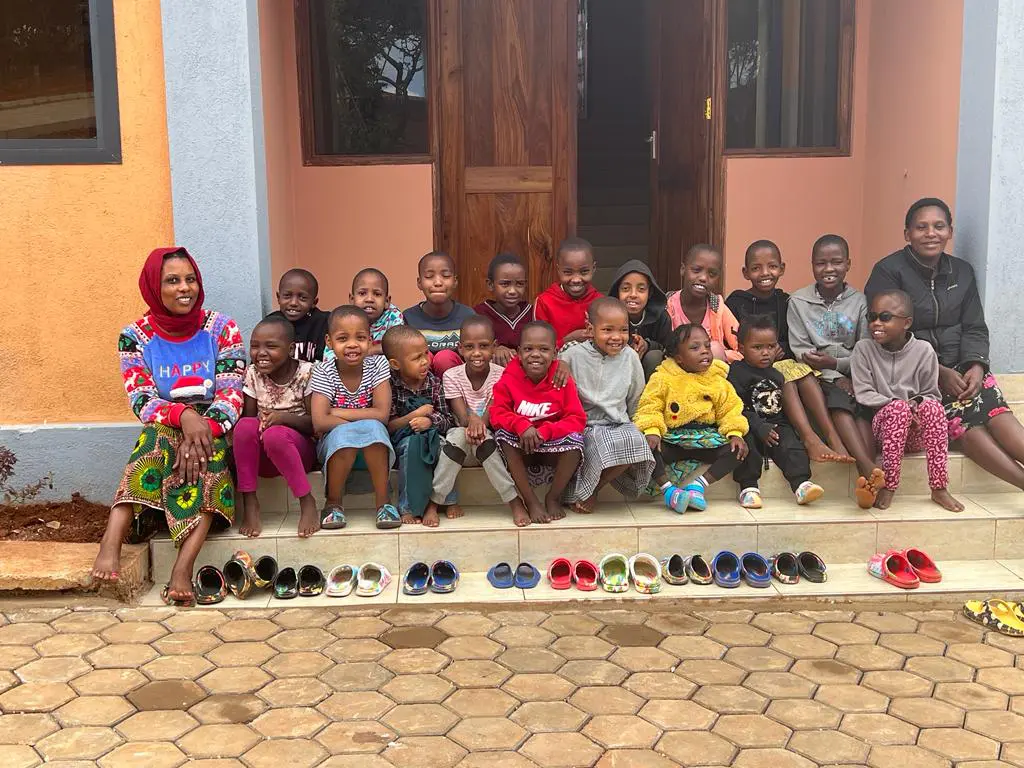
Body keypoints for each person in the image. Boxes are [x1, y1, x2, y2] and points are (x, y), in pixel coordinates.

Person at [91, 247, 246, 605]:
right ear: (153, 288)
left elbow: (231, 395)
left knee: (209, 456)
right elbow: (141, 399)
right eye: (172, 281)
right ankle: (111, 539)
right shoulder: (135, 336)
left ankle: (183, 567)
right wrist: (184, 416)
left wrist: (202, 427)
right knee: (153, 438)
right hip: (165, 421)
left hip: (213, 426)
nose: (184, 288)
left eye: (190, 279)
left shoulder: (222, 328)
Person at [867, 197, 1024, 491]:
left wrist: (976, 366)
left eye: (939, 226)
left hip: (963, 367)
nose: (931, 233)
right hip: (913, 373)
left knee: (995, 411)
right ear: (907, 234)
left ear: (950, 232)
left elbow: (975, 326)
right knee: (964, 427)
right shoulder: (888, 271)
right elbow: (884, 332)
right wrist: (937, 371)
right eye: (921, 227)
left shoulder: (962, 272)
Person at [727, 240, 851, 464]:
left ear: (782, 268)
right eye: (756, 268)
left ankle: (834, 438)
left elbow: (792, 336)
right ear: (745, 272)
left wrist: (779, 348)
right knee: (787, 374)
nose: (765, 273)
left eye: (772, 266)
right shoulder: (736, 302)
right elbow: (731, 339)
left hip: (781, 360)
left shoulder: (786, 301)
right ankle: (810, 439)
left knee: (803, 372)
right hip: (749, 365)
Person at [788, 234, 884, 508]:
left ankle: (870, 478)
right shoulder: (798, 302)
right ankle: (868, 470)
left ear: (848, 264)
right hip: (817, 376)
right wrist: (835, 372)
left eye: (836, 262)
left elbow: (866, 349)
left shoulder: (860, 302)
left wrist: (839, 365)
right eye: (821, 263)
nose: (829, 269)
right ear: (812, 265)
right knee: (841, 403)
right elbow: (800, 351)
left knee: (861, 410)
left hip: (855, 375)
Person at [851, 290, 964, 512]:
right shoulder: (864, 349)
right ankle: (889, 486)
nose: (876, 323)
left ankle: (939, 488)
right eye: (871, 317)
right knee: (898, 409)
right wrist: (900, 404)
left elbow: (931, 393)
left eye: (885, 317)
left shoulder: (923, 350)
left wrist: (916, 404)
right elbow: (863, 393)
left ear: (907, 323)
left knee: (933, 407)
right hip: (883, 430)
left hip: (916, 431)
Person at [634, 324, 754, 513]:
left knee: (738, 449)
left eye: (707, 346)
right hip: (672, 440)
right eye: (695, 348)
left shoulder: (717, 380)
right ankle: (669, 491)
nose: (704, 352)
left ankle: (698, 486)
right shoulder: (663, 378)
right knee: (643, 448)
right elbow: (650, 406)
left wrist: (735, 433)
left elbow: (730, 409)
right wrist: (652, 431)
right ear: (679, 358)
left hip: (705, 440)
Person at [560, 298, 654, 513]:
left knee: (637, 443)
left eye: (623, 330)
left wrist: (638, 424)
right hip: (587, 424)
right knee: (604, 444)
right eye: (607, 330)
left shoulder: (630, 357)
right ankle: (584, 491)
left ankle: (594, 488)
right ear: (590, 329)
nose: (617, 337)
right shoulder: (572, 356)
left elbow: (636, 395)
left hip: (618, 422)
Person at [433, 316, 529, 525]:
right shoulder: (451, 375)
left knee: (484, 437)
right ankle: (435, 500)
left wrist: (478, 423)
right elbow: (461, 417)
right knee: (458, 436)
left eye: (484, 346)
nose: (476, 353)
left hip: (486, 443)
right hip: (460, 440)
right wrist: (473, 420)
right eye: (469, 346)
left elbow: (492, 413)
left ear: (494, 347)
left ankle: (513, 500)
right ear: (460, 349)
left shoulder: (501, 375)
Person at [309, 306, 398, 531]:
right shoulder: (323, 371)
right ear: (329, 342)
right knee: (348, 435)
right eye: (342, 338)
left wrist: (336, 412)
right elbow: (319, 422)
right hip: (335, 448)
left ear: (369, 340)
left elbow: (382, 414)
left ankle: (383, 503)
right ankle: (333, 503)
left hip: (373, 444)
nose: (352, 344)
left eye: (360, 337)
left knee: (375, 430)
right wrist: (361, 421)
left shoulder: (378, 365)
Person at [491, 321, 587, 525]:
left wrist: (545, 432)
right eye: (528, 349)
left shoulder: (561, 378)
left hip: (550, 443)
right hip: (521, 445)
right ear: (518, 352)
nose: (535, 354)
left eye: (543, 349)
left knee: (577, 442)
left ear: (554, 353)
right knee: (502, 438)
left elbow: (577, 418)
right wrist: (521, 425)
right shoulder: (509, 378)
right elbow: (497, 412)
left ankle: (553, 497)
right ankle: (531, 500)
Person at [728, 315, 825, 509]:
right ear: (741, 348)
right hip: (749, 424)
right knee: (745, 444)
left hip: (776, 424)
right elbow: (735, 407)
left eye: (771, 347)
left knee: (791, 443)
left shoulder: (776, 374)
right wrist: (758, 426)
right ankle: (748, 488)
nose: (765, 353)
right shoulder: (737, 372)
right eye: (758, 348)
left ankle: (801, 485)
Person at [236, 316, 317, 539]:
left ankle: (306, 501)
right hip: (265, 457)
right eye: (255, 346)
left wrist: (283, 418)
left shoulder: (307, 372)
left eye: (271, 346)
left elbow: (315, 424)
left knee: (276, 435)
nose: (261, 353)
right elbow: (250, 422)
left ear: (291, 349)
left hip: (298, 453)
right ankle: (250, 502)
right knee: (243, 426)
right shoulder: (253, 373)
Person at [383, 325, 457, 526]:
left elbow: (448, 419)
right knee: (411, 447)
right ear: (395, 364)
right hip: (402, 440)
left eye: (426, 354)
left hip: (431, 433)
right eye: (416, 358)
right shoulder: (389, 386)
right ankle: (408, 506)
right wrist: (415, 415)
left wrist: (430, 420)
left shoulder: (433, 383)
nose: (425, 361)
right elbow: (387, 425)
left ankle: (448, 499)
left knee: (446, 448)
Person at [403, 251, 476, 378]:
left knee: (444, 358)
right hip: (422, 388)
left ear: (455, 281)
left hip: (459, 386)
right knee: (423, 356)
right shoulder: (408, 317)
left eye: (446, 276)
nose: (438, 282)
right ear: (419, 282)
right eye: (429, 276)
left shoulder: (468, 316)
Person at [665, 244, 741, 362]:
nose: (703, 278)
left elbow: (742, 347)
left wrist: (722, 354)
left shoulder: (717, 307)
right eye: (696, 270)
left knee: (714, 349)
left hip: (711, 373)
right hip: (678, 370)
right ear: (683, 269)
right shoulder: (668, 306)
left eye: (712, 274)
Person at [609, 259, 674, 379]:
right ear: (617, 292)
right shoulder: (609, 317)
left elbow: (669, 349)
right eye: (625, 289)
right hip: (617, 374)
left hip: (650, 375)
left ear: (650, 293)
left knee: (655, 356)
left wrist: (647, 345)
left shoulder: (661, 317)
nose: (633, 294)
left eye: (641, 289)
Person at [534, 237, 603, 347]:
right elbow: (538, 347)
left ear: (593, 268)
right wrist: (568, 340)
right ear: (558, 270)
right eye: (568, 272)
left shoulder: (600, 302)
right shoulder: (545, 302)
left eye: (584, 272)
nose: (576, 279)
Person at [474, 253, 533, 366]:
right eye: (505, 284)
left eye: (519, 284)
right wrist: (494, 349)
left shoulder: (532, 313)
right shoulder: (479, 314)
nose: (512, 291)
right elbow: (473, 348)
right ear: (490, 284)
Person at [267, 268, 330, 363]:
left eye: (302, 298)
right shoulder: (271, 323)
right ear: (278, 298)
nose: (293, 303)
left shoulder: (324, 322)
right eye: (287, 296)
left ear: (314, 302)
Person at [349, 267, 403, 357]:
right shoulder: (345, 319)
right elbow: (331, 351)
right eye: (362, 293)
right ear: (352, 299)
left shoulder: (393, 316)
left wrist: (371, 350)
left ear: (387, 301)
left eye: (377, 294)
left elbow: (399, 344)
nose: (369, 299)